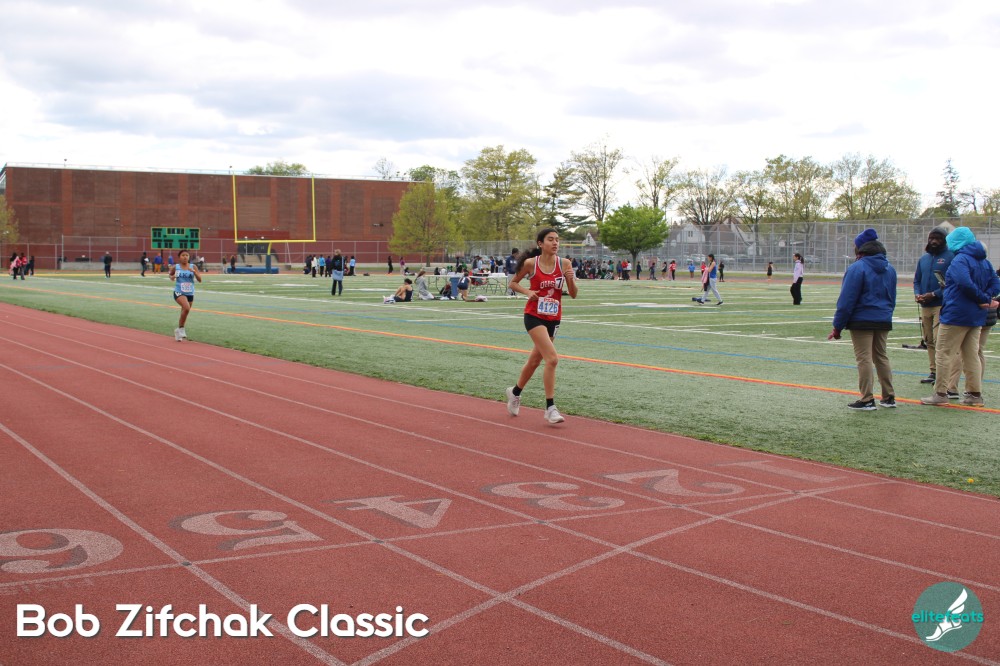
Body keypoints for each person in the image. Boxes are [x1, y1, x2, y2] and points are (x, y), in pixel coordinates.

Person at [505, 227, 578, 425]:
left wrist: (570, 278)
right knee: (552, 359)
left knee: (535, 361)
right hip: (534, 316)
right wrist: (528, 292)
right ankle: (550, 408)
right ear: (541, 243)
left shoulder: (564, 264)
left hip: (553, 318)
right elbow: (513, 283)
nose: (555, 243)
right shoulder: (531, 263)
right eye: (550, 239)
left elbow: (573, 294)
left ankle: (515, 392)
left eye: (557, 240)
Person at [921, 227, 1000, 407]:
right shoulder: (984, 261)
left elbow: (964, 283)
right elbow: (996, 283)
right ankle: (974, 394)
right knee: (971, 355)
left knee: (943, 353)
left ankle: (940, 393)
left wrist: (981, 298)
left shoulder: (960, 260)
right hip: (976, 316)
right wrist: (985, 298)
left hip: (956, 314)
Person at [827, 228, 897, 410]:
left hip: (862, 319)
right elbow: (892, 298)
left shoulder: (857, 268)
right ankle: (889, 396)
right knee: (881, 356)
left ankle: (867, 398)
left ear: (860, 248)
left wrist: (837, 326)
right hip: (883, 318)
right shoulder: (890, 269)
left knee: (864, 358)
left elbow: (846, 300)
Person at [913, 225, 955, 385]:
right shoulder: (924, 259)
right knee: (929, 339)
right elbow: (917, 280)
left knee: (939, 340)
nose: (934, 241)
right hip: (925, 305)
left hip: (941, 304)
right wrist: (918, 294)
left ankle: (944, 373)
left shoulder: (950, 257)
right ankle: (933, 371)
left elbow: (950, 282)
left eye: (937, 238)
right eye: (931, 238)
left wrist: (934, 294)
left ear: (944, 240)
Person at [169, 249, 202, 341]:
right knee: (186, 308)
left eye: (187, 255)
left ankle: (178, 331)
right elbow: (170, 276)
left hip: (190, 292)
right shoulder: (176, 267)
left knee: (185, 312)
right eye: (183, 255)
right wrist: (173, 277)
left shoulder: (193, 266)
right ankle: (182, 329)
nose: (185, 257)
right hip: (179, 291)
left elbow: (200, 280)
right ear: (179, 257)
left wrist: (194, 272)